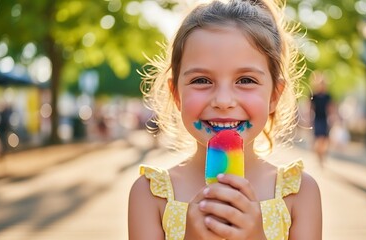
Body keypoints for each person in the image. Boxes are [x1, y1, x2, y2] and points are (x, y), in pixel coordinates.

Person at [128, 0, 322, 239]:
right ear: (176, 94)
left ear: (274, 96)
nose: (223, 100)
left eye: (246, 80)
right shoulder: (150, 195)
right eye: (201, 80)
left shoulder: (299, 193)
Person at [309, 71, 334, 168]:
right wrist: (308, 119)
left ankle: (321, 155)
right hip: (316, 119)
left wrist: (333, 118)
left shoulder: (328, 96)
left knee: (324, 140)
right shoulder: (313, 96)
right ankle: (319, 157)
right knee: (318, 139)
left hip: (325, 119)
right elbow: (310, 108)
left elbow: (331, 108)